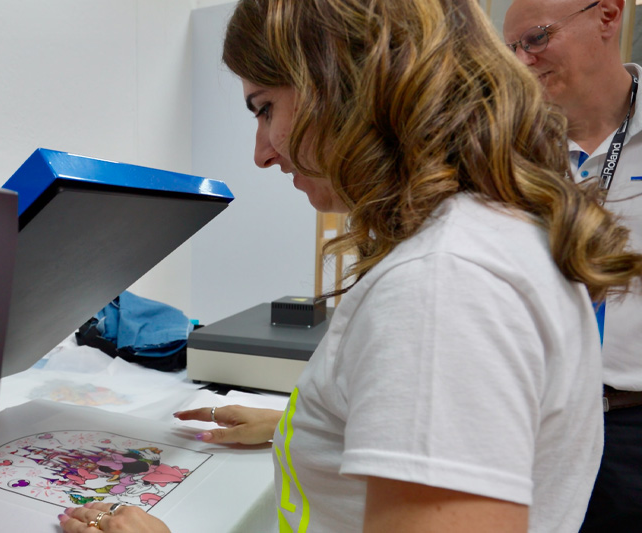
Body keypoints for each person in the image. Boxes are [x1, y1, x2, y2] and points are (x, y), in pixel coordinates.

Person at [58, 0, 642, 531]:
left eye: (265, 109)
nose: (260, 153)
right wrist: (317, 431)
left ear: (346, 85)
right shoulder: (492, 233)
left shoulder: (443, 283)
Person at [503, 1, 642, 530]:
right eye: (512, 49)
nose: (524, 60)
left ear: (607, 16)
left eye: (536, 39)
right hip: (536, 421)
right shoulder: (507, 147)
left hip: (632, 422)